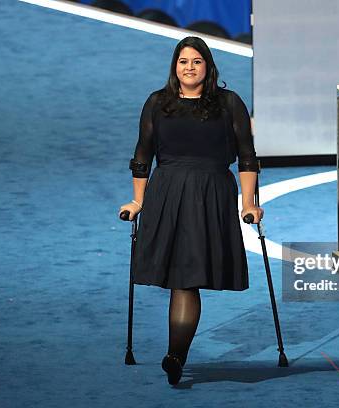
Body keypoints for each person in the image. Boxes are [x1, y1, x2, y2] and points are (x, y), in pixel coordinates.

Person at [118, 36, 263, 386]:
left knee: (189, 276)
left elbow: (247, 156)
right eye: (183, 61)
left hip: (211, 194)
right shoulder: (157, 103)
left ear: (208, 66)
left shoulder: (229, 103)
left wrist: (249, 203)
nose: (189, 67)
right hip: (166, 194)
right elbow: (142, 156)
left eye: (196, 61)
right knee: (181, 277)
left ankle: (175, 356)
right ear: (175, 67)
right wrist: (138, 201)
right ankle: (176, 356)